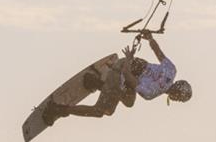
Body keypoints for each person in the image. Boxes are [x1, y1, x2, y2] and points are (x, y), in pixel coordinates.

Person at [43, 34, 192, 126]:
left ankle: (95, 83)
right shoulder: (152, 92)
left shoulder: (171, 70)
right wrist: (127, 60)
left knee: (129, 102)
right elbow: (128, 76)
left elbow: (157, 51)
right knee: (102, 111)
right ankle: (57, 109)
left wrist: (150, 38)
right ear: (175, 97)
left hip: (129, 67)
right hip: (122, 70)